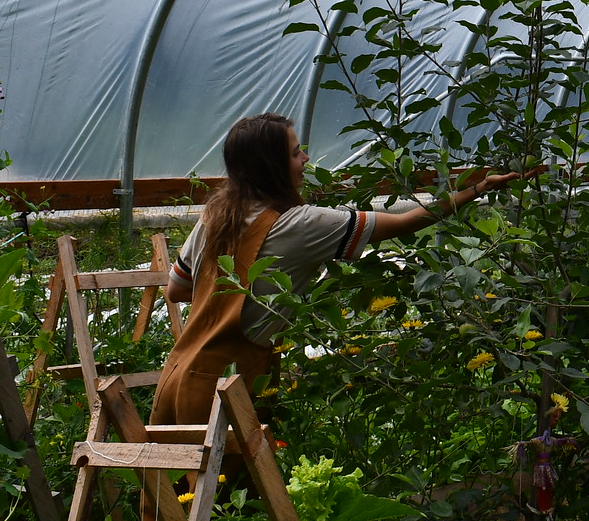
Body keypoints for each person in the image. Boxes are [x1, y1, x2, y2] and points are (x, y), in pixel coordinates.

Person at [154, 112, 516, 424]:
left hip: (179, 380)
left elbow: (177, 289)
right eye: (296, 153)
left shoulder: (215, 217)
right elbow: (405, 223)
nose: (306, 159)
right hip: (227, 392)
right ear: (273, 167)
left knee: (169, 500)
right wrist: (476, 189)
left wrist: (234, 297)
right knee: (232, 500)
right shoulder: (301, 224)